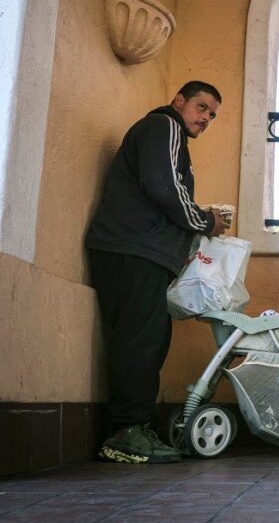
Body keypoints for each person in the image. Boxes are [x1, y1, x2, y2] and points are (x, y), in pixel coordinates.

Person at [85, 81, 227, 463]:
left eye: (212, 115)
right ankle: (125, 433)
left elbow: (164, 190)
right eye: (201, 107)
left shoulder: (168, 135)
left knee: (146, 338)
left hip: (133, 251)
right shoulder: (164, 127)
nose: (206, 118)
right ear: (179, 101)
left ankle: (132, 427)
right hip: (132, 250)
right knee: (141, 340)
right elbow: (165, 187)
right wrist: (204, 220)